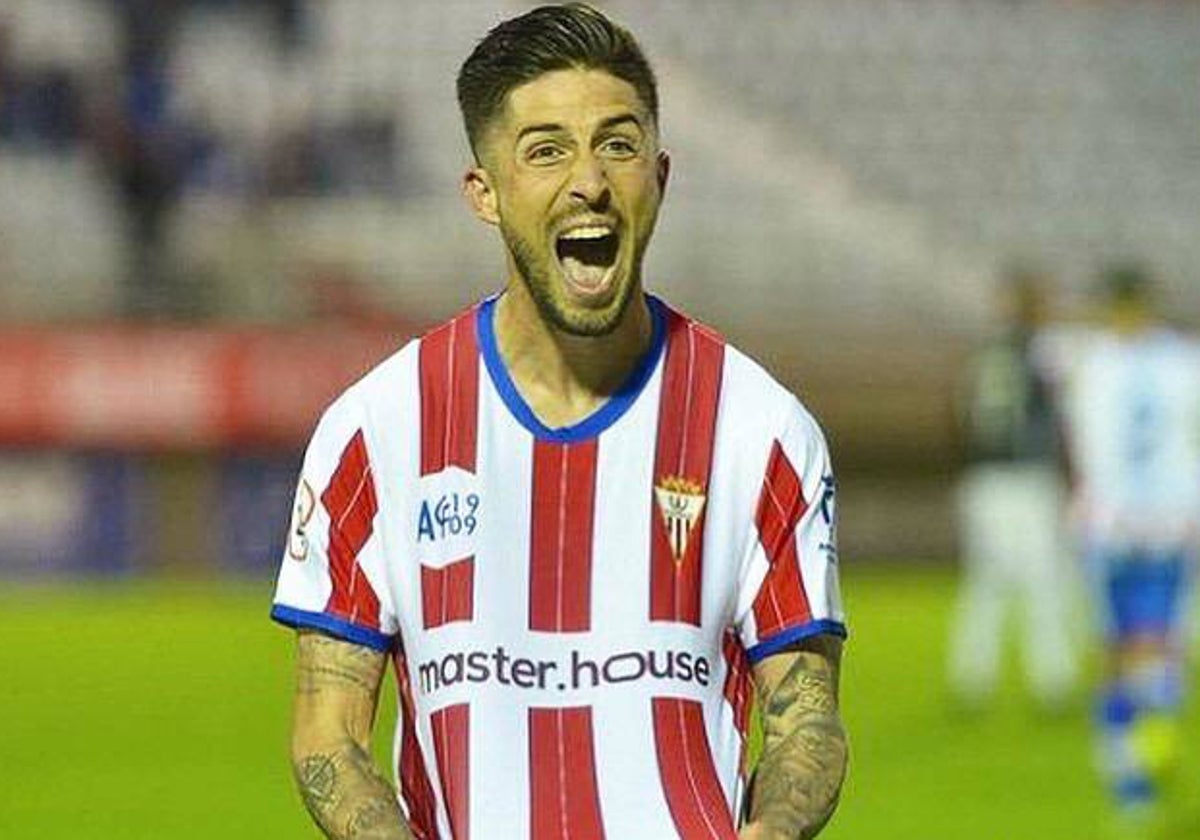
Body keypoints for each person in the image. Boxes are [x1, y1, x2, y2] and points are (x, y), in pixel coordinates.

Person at [271, 5, 848, 839]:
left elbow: (808, 720)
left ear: (660, 173)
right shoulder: (375, 430)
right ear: (486, 193)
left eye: (618, 143)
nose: (589, 181)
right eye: (546, 152)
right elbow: (328, 734)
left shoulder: (762, 430)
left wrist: (772, 830)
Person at [1060, 265, 1200, 817]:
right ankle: (1141, 755)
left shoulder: (1091, 365)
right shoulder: (1183, 360)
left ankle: (1133, 764)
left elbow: (1080, 445)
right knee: (1143, 643)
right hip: (1155, 520)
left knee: (1132, 644)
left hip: (1133, 522)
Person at [947, 268, 1078, 710]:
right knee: (1043, 579)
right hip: (1027, 475)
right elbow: (1063, 410)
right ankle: (1052, 679)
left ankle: (972, 678)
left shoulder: (984, 352)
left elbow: (960, 416)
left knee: (987, 582)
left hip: (983, 476)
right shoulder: (1042, 350)